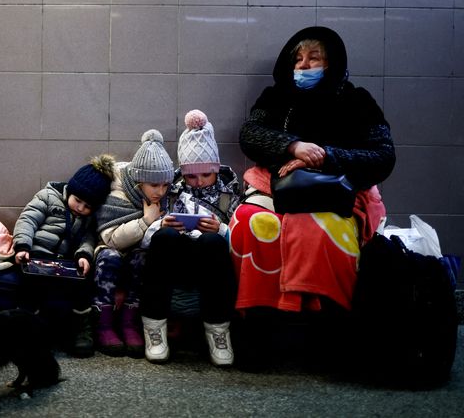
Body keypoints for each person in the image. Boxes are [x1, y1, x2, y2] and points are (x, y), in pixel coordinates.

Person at [230, 26, 395, 367]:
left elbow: (383, 155)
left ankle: (324, 337)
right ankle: (258, 332)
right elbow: (250, 134)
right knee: (249, 223)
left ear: (331, 63)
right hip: (274, 187)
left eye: (314, 58)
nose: (304, 66)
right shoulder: (275, 97)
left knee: (319, 232)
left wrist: (324, 155)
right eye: (298, 59)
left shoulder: (357, 100)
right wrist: (292, 146)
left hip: (335, 192)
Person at [139, 110, 240, 366]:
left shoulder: (231, 192)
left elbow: (240, 241)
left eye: (206, 174)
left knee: (213, 241)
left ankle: (219, 333)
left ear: (216, 168)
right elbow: (146, 239)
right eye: (191, 176)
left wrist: (220, 229)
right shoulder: (169, 188)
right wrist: (162, 223)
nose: (198, 182)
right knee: (165, 237)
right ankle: (154, 331)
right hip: (173, 256)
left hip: (211, 259)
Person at [12, 154, 116, 358]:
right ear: (70, 190)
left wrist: (83, 255)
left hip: (65, 262)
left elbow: (88, 238)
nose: (81, 208)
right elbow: (28, 220)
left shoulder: (87, 218)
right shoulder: (48, 196)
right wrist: (22, 246)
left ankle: (80, 331)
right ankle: (26, 330)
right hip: (35, 253)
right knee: (30, 285)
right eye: (78, 201)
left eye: (88, 207)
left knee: (83, 285)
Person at [93, 130, 174, 357]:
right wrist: (147, 220)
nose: (160, 192)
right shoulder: (117, 191)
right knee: (109, 257)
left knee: (142, 258)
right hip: (110, 251)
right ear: (138, 181)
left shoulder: (163, 196)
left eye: (166, 185)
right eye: (154, 185)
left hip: (138, 252)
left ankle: (130, 324)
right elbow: (111, 238)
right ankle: (104, 325)